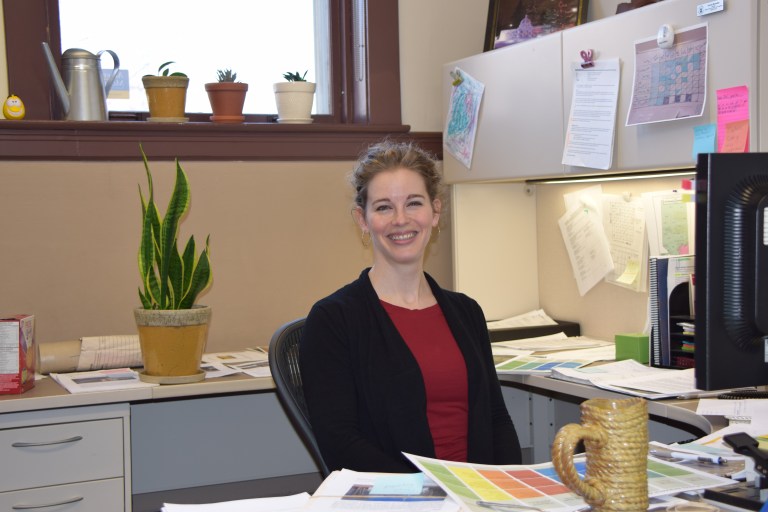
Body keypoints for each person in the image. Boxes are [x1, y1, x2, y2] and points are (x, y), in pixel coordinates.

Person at [300, 140, 522, 473]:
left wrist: (507, 491)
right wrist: (432, 493)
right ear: (363, 219)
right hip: (401, 498)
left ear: (435, 212)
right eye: (384, 207)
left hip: (478, 495)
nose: (400, 220)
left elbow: (496, 418)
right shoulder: (334, 320)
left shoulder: (466, 312)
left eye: (413, 203)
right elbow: (340, 442)